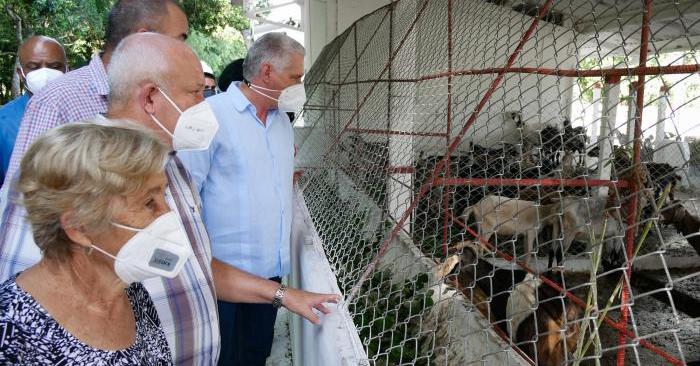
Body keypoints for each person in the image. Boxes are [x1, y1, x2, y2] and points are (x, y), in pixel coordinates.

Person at [1, 31, 337, 365]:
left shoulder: (132, 295)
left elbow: (197, 264)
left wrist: (280, 294)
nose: (169, 217)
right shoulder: (18, 333)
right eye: (195, 92)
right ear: (76, 226)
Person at [178, 32, 306, 366]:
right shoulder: (208, 117)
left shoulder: (282, 125)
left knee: (255, 355)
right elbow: (183, 199)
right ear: (267, 72)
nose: (299, 86)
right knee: (222, 358)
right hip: (221, 281)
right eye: (295, 77)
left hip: (269, 278)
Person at [0, 123, 175, 364]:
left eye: (163, 195)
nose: (167, 214)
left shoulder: (128, 291)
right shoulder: (11, 330)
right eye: (148, 202)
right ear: (80, 227)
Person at [0, 36, 66, 186]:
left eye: (55, 66)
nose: (45, 74)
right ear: (21, 73)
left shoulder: (87, 113)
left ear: (68, 69)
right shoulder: (3, 122)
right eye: (34, 67)